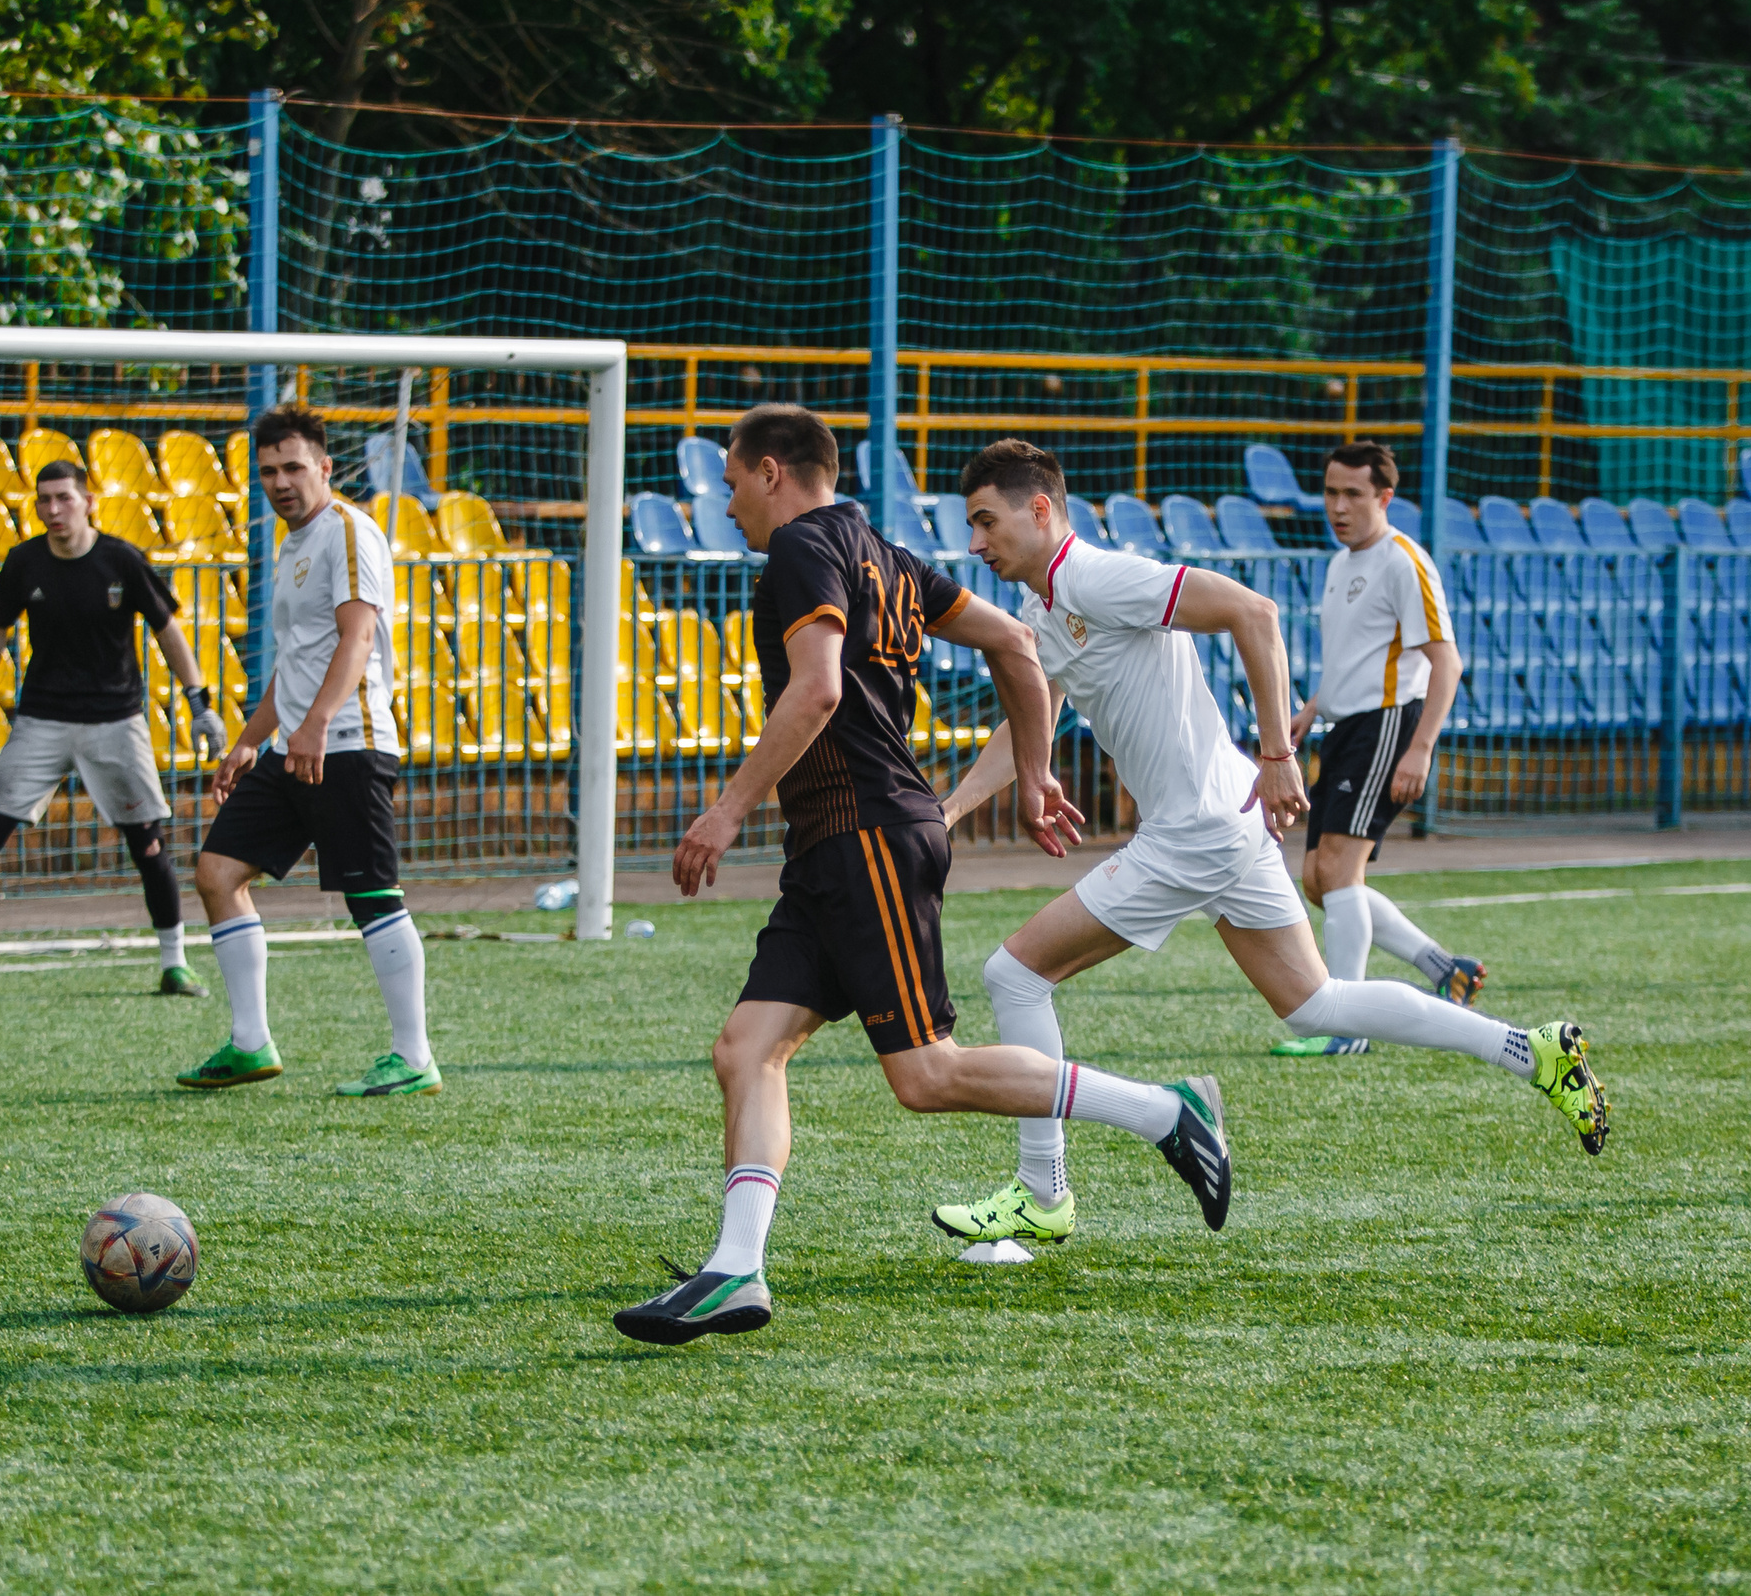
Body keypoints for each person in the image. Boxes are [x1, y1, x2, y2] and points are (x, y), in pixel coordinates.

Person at [610, 408, 1235, 1347]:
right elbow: (1015, 646)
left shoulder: (801, 550)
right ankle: (735, 1270)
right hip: (833, 846)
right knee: (747, 1048)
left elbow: (817, 688)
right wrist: (1032, 772)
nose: (728, 504)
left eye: (734, 484)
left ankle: (1163, 1111)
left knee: (926, 1074)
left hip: (865, 837)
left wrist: (729, 806)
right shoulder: (888, 554)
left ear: (772, 472)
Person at [925, 440, 1610, 1248]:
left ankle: (1044, 1191)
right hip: (1225, 818)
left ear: (1040, 510)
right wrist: (955, 806)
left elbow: (1254, 612)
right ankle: (1532, 1051)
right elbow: (1027, 715)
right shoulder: (1046, 608)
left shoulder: (1094, 576)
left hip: (1197, 830)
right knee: (1316, 1003)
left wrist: (1281, 755)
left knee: (1015, 973)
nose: (975, 543)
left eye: (985, 520)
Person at [0, 459, 227, 999]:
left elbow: (169, 631)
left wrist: (199, 703)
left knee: (148, 844)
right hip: (42, 719)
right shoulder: (25, 562)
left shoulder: (121, 560)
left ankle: (175, 963)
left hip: (116, 719)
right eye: (43, 500)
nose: (53, 509)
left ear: (89, 501)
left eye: (64, 497)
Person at [173, 405, 436, 1097]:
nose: (280, 481)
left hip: (347, 743)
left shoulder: (349, 530)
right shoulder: (293, 544)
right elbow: (296, 658)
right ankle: (250, 1043)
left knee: (371, 894)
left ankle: (414, 1056)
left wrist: (317, 722)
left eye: (293, 467)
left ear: (324, 467)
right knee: (217, 872)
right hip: (293, 748)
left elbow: (356, 638)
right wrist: (249, 740)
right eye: (268, 471)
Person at [1272, 441, 1487, 1057]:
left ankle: (1349, 1027)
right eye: (1330, 492)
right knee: (1320, 881)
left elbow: (1446, 662)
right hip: (1345, 727)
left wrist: (1420, 749)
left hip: (1389, 725)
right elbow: (1354, 658)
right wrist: (1310, 713)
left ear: (1384, 497)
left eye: (1353, 495)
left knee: (1338, 872)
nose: (1338, 506)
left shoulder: (1404, 562)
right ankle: (1446, 967)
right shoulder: (1342, 563)